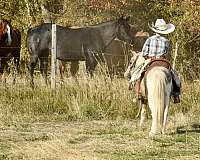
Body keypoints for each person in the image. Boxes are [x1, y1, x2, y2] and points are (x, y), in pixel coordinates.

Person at [134, 18, 181, 103]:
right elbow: (167, 54)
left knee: (139, 74)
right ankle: (176, 95)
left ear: (155, 29)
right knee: (174, 75)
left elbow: (144, 53)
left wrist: (148, 57)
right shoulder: (166, 41)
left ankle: (139, 93)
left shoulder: (149, 39)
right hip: (163, 61)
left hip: (151, 60)